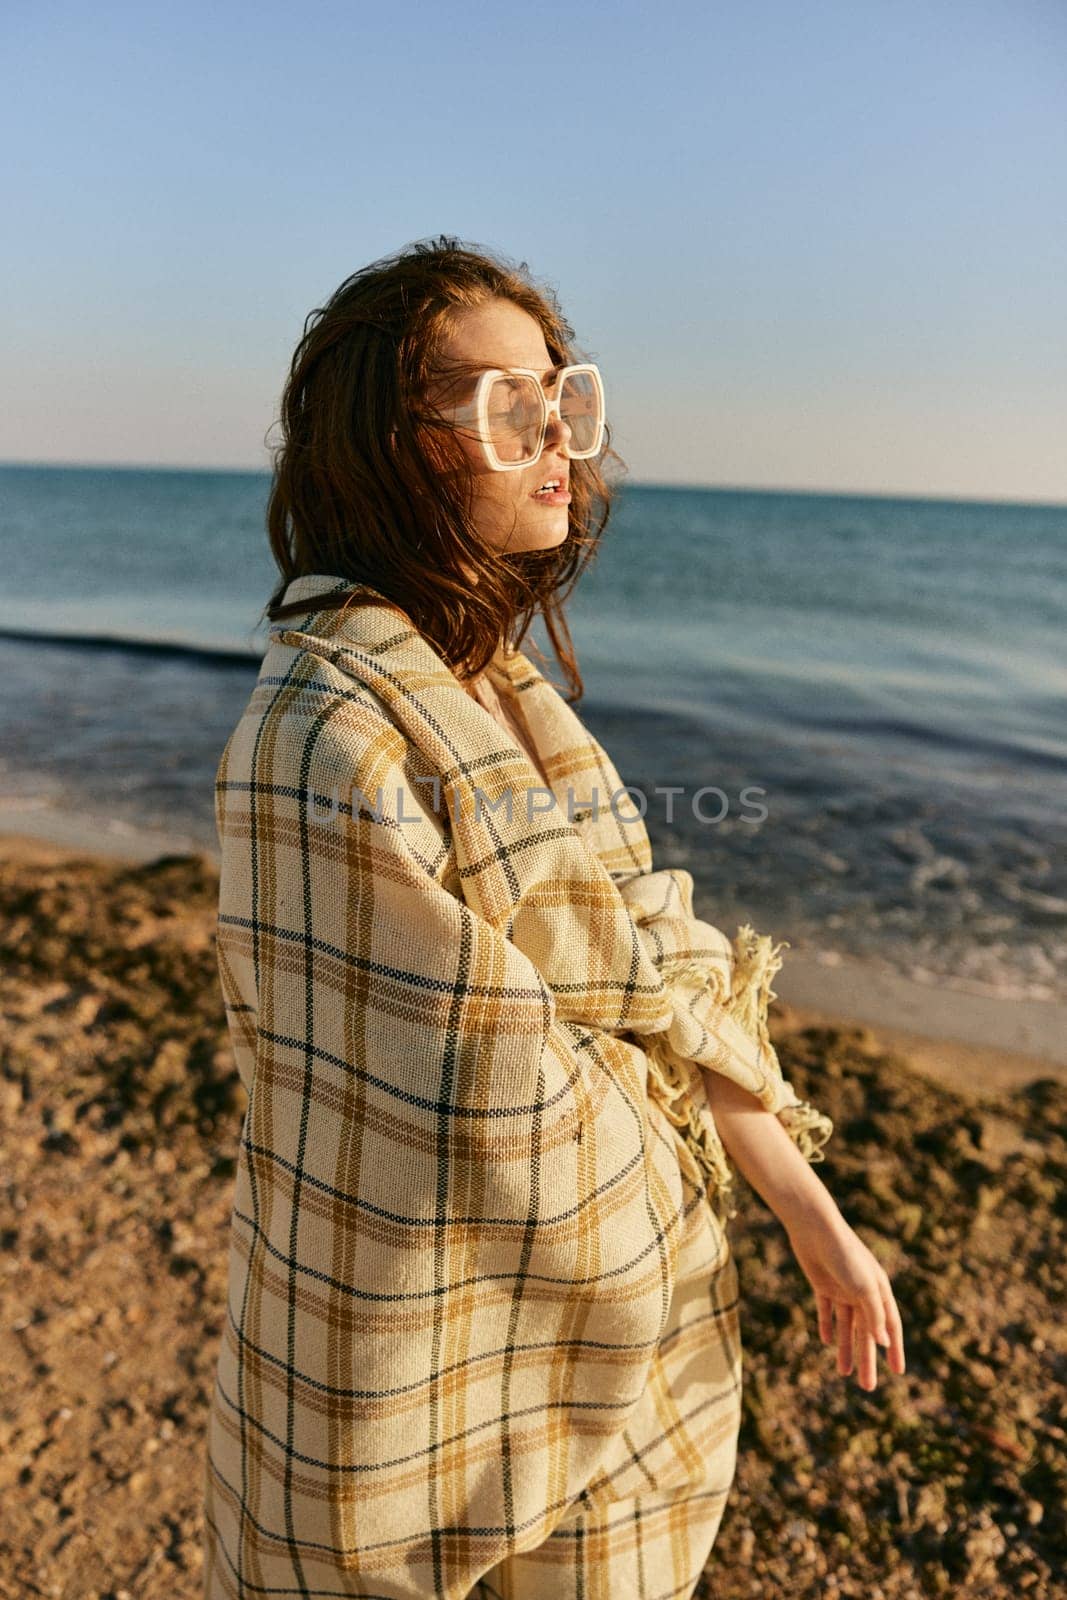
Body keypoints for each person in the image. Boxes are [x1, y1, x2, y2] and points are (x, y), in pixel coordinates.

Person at [201, 236, 906, 1600]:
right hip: (411, 1377)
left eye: (562, 394)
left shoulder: (517, 698)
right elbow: (476, 1109)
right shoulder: (324, 740)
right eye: (502, 403)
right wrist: (675, 1182)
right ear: (389, 447)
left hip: (619, 1375)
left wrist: (810, 1214)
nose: (558, 437)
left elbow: (656, 967)